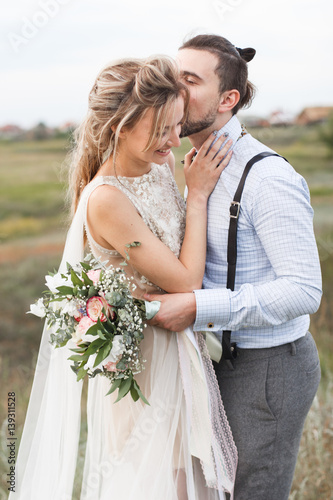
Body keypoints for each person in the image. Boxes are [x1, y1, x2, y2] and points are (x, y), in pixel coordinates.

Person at [11, 56, 238, 500]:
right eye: (161, 131)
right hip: (147, 367)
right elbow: (186, 281)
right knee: (160, 483)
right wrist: (199, 196)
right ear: (119, 126)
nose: (174, 141)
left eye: (177, 125)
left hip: (180, 346)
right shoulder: (107, 200)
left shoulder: (157, 165)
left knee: (191, 478)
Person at [146, 34, 322, 500]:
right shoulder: (191, 165)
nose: (172, 90)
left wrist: (197, 306)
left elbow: (304, 290)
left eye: (189, 81)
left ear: (228, 99)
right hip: (211, 362)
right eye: (171, 76)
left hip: (267, 370)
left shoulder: (269, 178)